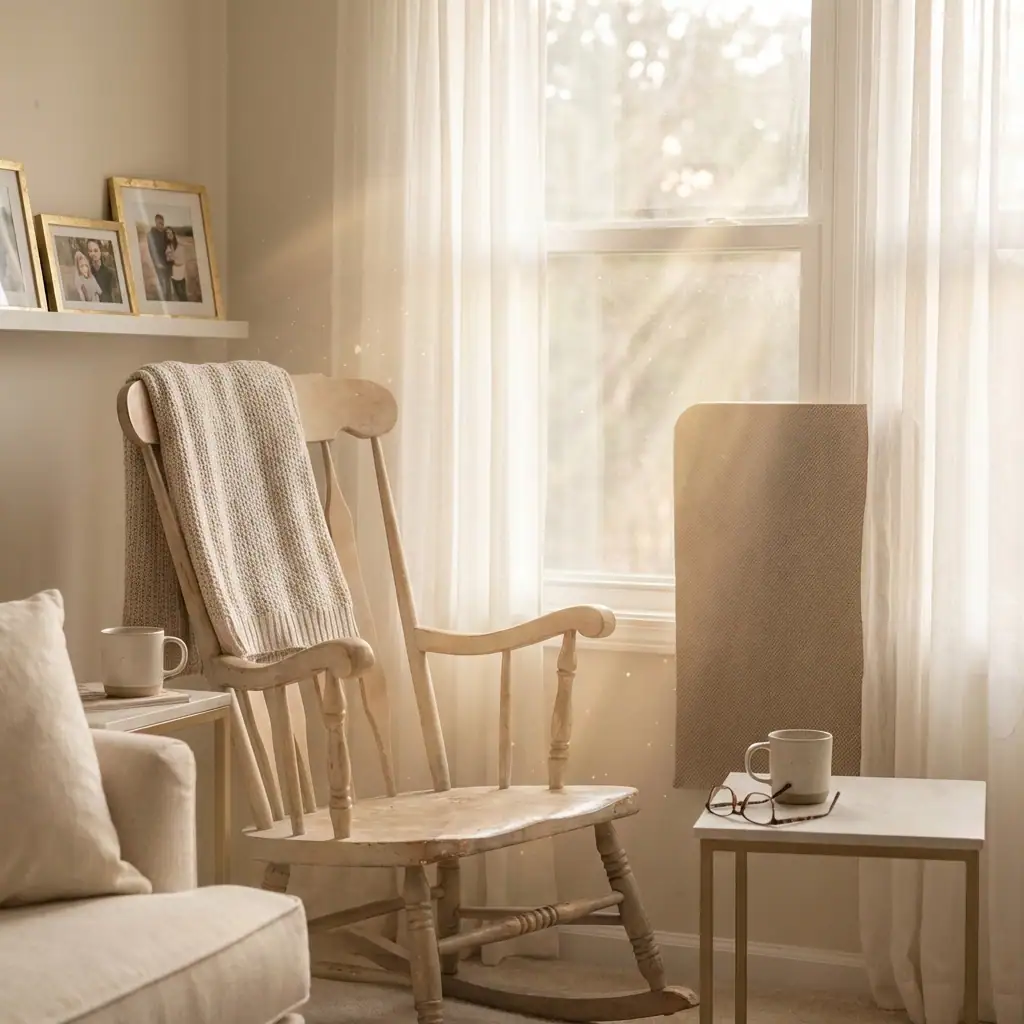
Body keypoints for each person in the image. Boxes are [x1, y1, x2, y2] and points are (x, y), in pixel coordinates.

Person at [147, 213, 171, 299]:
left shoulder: (166, 233)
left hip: (168, 262)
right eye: (160, 223)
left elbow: (171, 244)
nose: (161, 225)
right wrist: (157, 262)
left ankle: (168, 297)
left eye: (163, 223)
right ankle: (163, 299)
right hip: (159, 263)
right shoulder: (151, 234)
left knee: (168, 281)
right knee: (161, 280)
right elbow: (152, 251)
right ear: (156, 222)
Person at [85, 238, 117, 303]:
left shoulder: (110, 273)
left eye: (95, 250)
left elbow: (114, 296)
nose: (93, 254)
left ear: (100, 251)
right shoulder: (87, 274)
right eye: (90, 251)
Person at [165, 227, 189, 301]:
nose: (169, 234)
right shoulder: (168, 245)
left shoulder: (179, 241)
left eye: (170, 232)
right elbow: (168, 258)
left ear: (173, 233)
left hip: (181, 269)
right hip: (175, 270)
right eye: (167, 233)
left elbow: (187, 244)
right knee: (179, 292)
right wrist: (169, 256)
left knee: (183, 292)